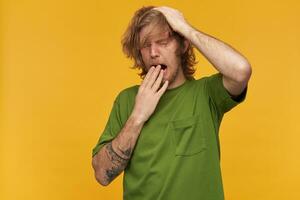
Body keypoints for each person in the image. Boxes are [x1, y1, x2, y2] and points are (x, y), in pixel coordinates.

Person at [91, 5, 251, 200]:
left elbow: (241, 69)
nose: (153, 52)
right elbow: (101, 174)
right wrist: (138, 116)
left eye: (163, 42)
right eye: (145, 45)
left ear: (182, 45)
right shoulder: (126, 100)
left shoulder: (206, 94)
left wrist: (186, 29)